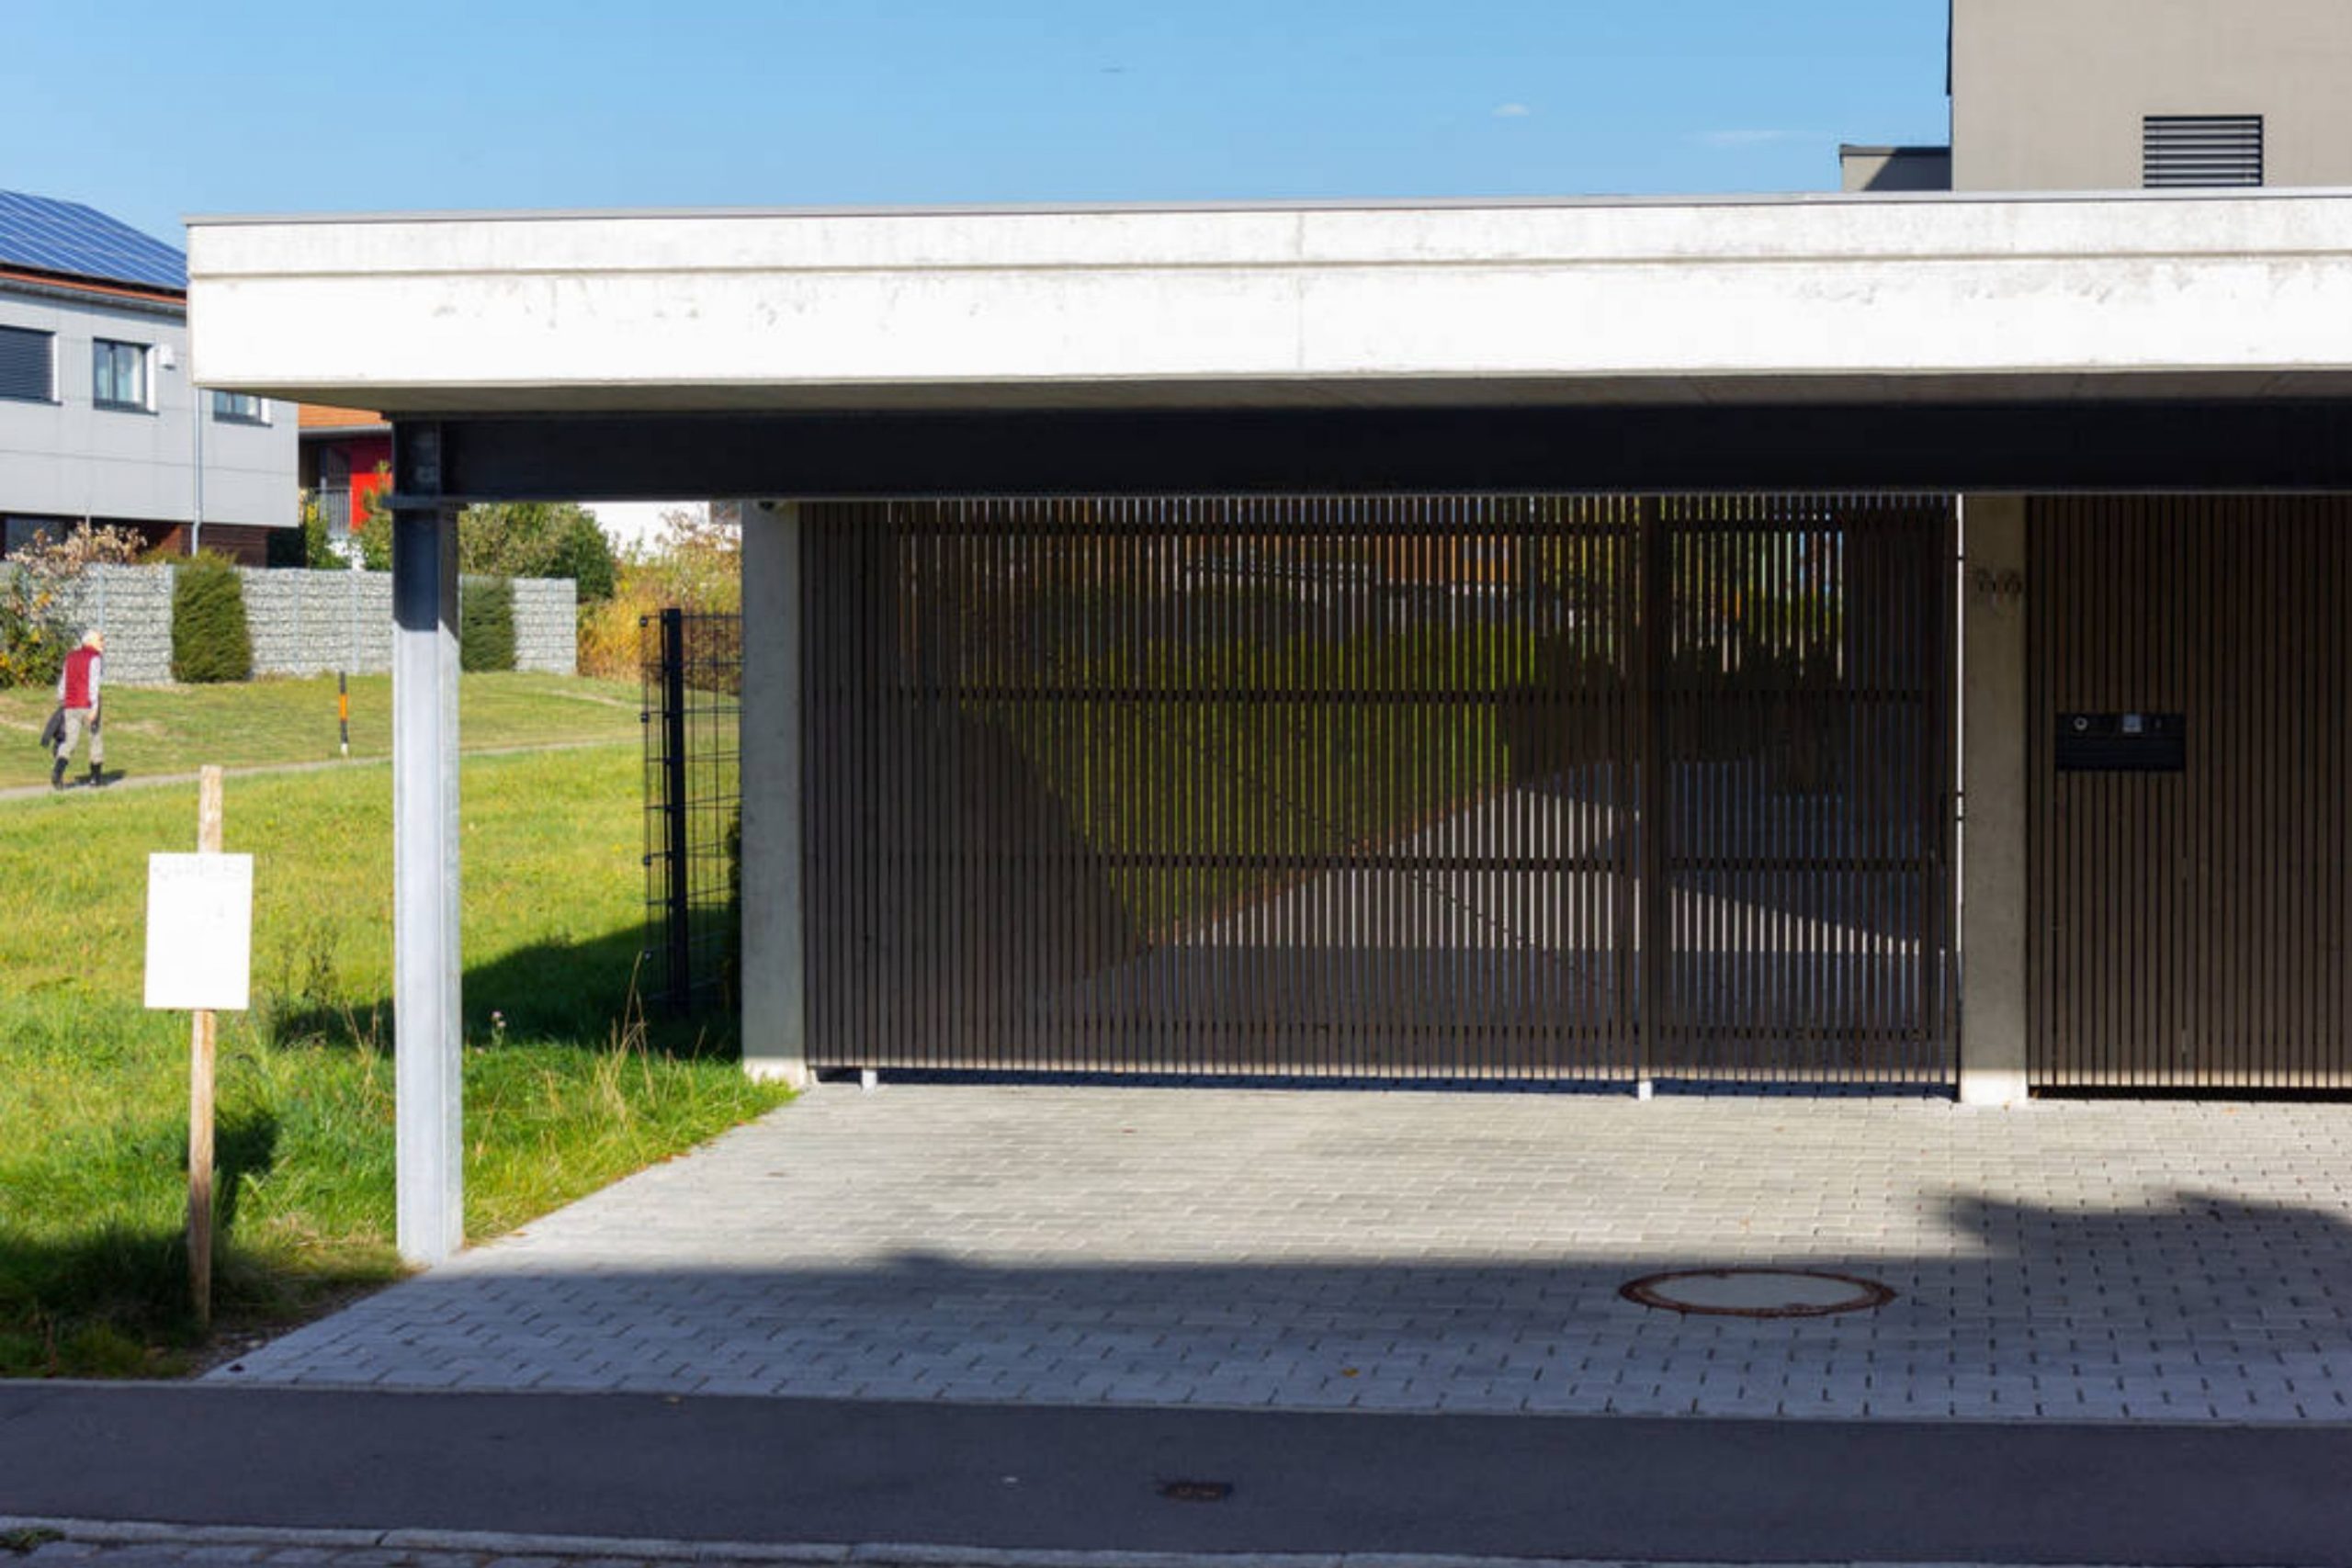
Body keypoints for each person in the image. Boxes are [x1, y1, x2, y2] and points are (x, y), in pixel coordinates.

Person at [51, 629, 105, 790]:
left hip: (70, 705)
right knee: (95, 739)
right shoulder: (94, 658)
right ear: (90, 642)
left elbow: (64, 682)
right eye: (100, 640)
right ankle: (95, 778)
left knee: (70, 741)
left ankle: (58, 772)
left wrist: (61, 699)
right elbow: (93, 685)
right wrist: (94, 707)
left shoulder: (70, 657)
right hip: (87, 705)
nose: (103, 643)